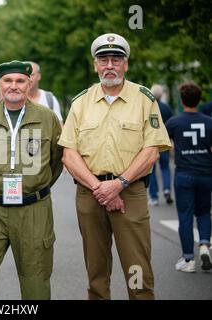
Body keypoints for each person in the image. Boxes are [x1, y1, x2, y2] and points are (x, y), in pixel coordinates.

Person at [59, 33, 172, 300]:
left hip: (129, 193)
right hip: (90, 194)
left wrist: (119, 184)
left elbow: (152, 151)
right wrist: (101, 188)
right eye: (103, 59)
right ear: (95, 65)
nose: (110, 65)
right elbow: (69, 154)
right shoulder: (80, 102)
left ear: (126, 64)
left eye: (116, 59)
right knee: (96, 273)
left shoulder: (144, 100)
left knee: (137, 272)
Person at [0, 60, 63, 299]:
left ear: (29, 83)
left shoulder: (47, 118)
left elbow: (57, 161)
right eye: (8, 81)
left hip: (34, 210)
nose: (14, 86)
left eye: (20, 81)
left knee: (35, 281)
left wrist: (35, 186)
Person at [164, 82, 212, 273]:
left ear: (182, 100)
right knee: (204, 211)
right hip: (206, 173)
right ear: (199, 100)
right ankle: (204, 245)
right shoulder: (209, 122)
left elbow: (160, 142)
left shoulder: (175, 122)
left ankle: (188, 259)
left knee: (185, 216)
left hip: (184, 173)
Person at [148, 84, 174, 205]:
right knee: (165, 167)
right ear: (161, 95)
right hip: (164, 142)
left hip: (151, 143)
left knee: (151, 170)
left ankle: (154, 197)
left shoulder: (148, 106)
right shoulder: (166, 108)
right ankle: (167, 189)